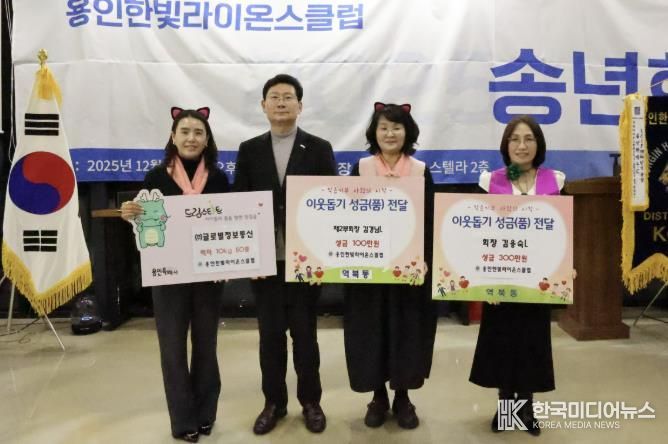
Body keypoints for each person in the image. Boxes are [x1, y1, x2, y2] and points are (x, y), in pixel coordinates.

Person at [232, 74, 336, 435]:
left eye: (288, 97)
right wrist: (251, 256)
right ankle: (273, 403)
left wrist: (322, 259)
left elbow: (330, 205)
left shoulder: (319, 148)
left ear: (299, 105)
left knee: (306, 336)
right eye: (274, 97)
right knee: (270, 337)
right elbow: (240, 204)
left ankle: (311, 402)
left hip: (305, 263)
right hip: (265, 263)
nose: (281, 102)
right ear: (263, 106)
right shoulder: (249, 149)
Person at [120, 107, 229, 443]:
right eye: (185, 131)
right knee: (172, 348)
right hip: (169, 276)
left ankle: (206, 413)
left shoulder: (219, 178)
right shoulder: (156, 177)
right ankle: (183, 421)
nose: (191, 138)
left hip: (208, 275)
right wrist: (131, 213)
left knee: (206, 346)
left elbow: (232, 221)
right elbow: (145, 218)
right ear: (173, 136)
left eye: (198, 132)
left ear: (207, 139)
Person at [469, 115, 566, 437]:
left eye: (529, 139)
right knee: (502, 341)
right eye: (515, 139)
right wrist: (484, 280)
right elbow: (477, 233)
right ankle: (505, 407)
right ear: (506, 145)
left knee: (532, 342)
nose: (522, 146)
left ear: (538, 145)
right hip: (501, 277)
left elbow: (563, 232)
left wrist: (567, 265)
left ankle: (526, 407)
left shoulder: (555, 181)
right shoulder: (491, 181)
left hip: (538, 280)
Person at [344, 102, 437, 429]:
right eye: (383, 127)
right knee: (371, 332)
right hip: (369, 270)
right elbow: (346, 217)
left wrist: (425, 261)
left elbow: (430, 221)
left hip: (408, 272)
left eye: (397, 127)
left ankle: (403, 397)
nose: (390, 133)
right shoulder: (361, 168)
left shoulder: (420, 171)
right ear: (374, 132)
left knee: (406, 332)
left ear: (407, 132)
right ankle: (378, 396)